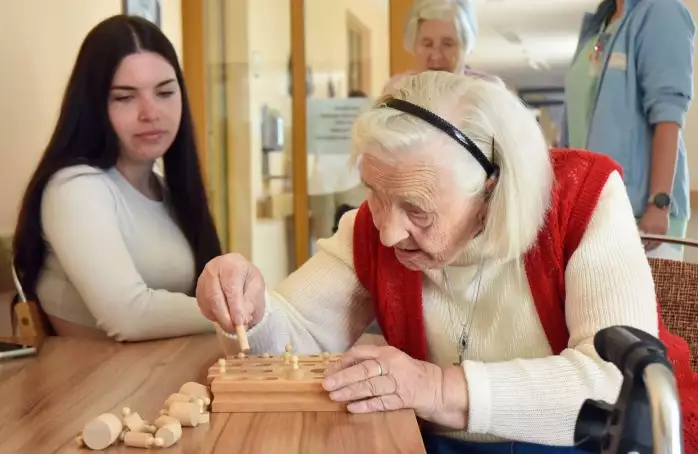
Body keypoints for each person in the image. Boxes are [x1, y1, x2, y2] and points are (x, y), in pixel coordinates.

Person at [196, 72, 697, 452]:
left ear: (492, 189)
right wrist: (252, 307)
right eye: (374, 193)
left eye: (417, 208)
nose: (388, 231)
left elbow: (616, 383)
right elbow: (294, 338)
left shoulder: (583, 201)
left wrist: (437, 387)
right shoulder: (376, 223)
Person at [11, 15, 222, 341]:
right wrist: (244, 309)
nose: (150, 112)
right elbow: (129, 316)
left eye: (165, 92)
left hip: (163, 377)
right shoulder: (75, 188)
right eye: (125, 97)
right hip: (93, 387)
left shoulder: (164, 189)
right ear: (94, 106)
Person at [562, 0, 695, 260]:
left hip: (641, 217)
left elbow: (668, 115)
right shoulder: (600, 22)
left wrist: (659, 203)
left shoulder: (661, 12)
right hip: (591, 211)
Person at [383, 0, 502, 94]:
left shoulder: (487, 92)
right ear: (413, 44)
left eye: (447, 43)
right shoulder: (397, 91)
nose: (436, 55)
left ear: (465, 45)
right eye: (427, 44)